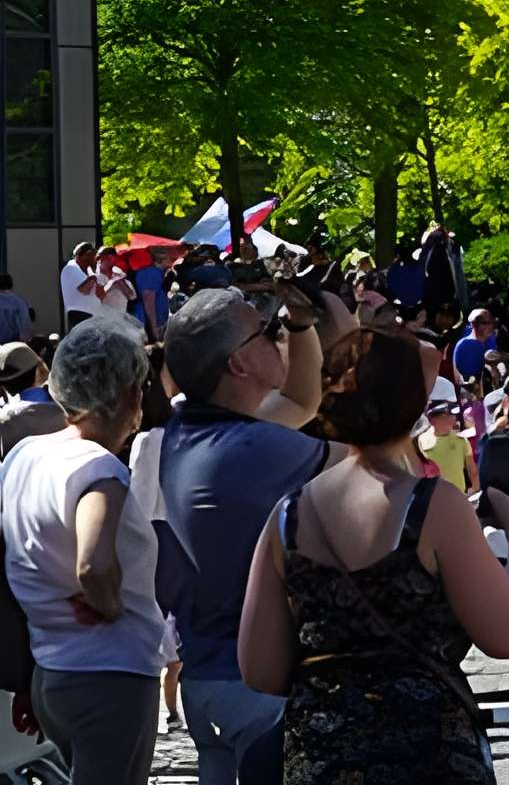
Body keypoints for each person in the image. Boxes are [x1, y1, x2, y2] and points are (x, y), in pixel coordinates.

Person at [238, 322, 509, 784]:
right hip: (426, 754)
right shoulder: (432, 504)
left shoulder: (288, 515)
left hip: (323, 757)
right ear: (414, 405)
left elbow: (259, 670)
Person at [156, 282, 352, 785]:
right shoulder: (252, 449)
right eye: (264, 333)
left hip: (209, 675)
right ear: (238, 365)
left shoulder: (189, 427)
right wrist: (356, 345)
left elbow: (300, 403)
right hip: (258, 687)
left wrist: (300, 325)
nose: (274, 339)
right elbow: (374, 460)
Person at [0, 317, 159, 785]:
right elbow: (93, 562)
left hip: (51, 669)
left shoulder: (24, 454)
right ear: (130, 392)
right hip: (109, 674)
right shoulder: (99, 468)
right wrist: (108, 605)